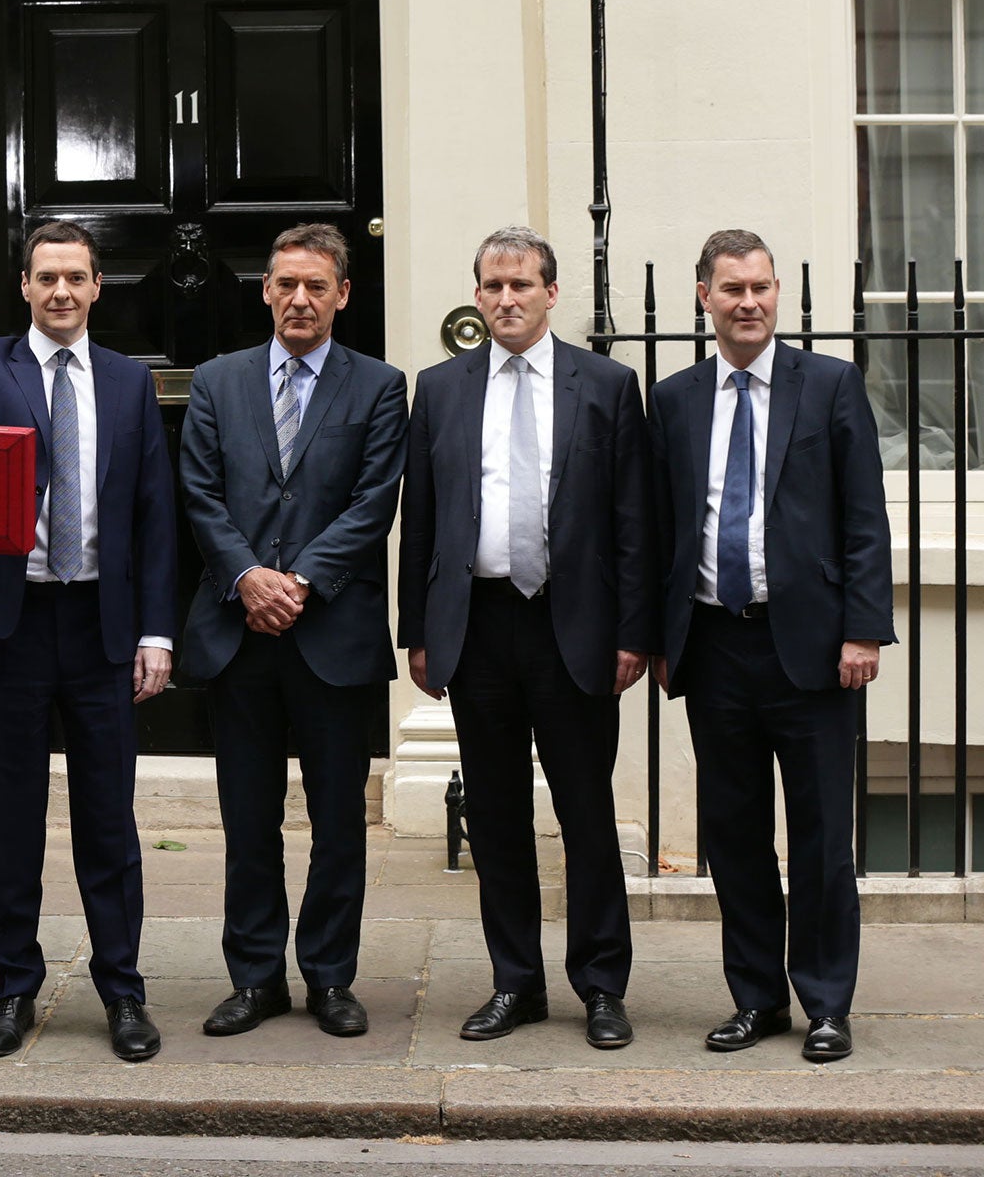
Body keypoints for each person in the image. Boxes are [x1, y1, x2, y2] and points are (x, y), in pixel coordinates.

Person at [0, 219, 175, 1063]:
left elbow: (154, 515)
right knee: (14, 818)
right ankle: (12, 988)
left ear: (98, 289)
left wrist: (156, 632)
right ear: (24, 286)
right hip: (9, 628)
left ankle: (122, 991)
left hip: (100, 627)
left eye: (76, 278)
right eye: (45, 277)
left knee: (108, 822)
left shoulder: (131, 382)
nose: (60, 291)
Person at [397, 226, 652, 1050]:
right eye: (492, 286)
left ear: (551, 293)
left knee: (586, 811)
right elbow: (423, 521)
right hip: (477, 625)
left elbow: (633, 522)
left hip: (574, 628)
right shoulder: (439, 389)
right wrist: (420, 633)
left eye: (522, 285)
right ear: (477, 296)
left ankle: (601, 984)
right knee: (497, 816)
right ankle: (517, 982)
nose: (507, 299)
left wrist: (633, 633)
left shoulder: (608, 385)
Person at [648, 229, 891, 1064]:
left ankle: (826, 1003)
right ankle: (756, 1000)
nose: (747, 302)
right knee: (735, 833)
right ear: (703, 297)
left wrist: (864, 627)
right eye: (731, 289)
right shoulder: (674, 400)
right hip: (715, 648)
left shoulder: (829, 386)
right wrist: (657, 640)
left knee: (822, 836)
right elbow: (660, 531)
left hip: (816, 651)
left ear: (777, 292)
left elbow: (863, 516)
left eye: (760, 287)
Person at [177, 224, 407, 1040]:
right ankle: (255, 977)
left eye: (316, 286)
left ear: (343, 294)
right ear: (266, 291)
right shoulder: (217, 380)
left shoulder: (380, 386)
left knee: (339, 820)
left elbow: (373, 503)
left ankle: (332, 977)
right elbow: (200, 494)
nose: (299, 300)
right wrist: (247, 578)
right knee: (250, 819)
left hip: (331, 636)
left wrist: (302, 581)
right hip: (239, 636)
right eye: (285, 285)